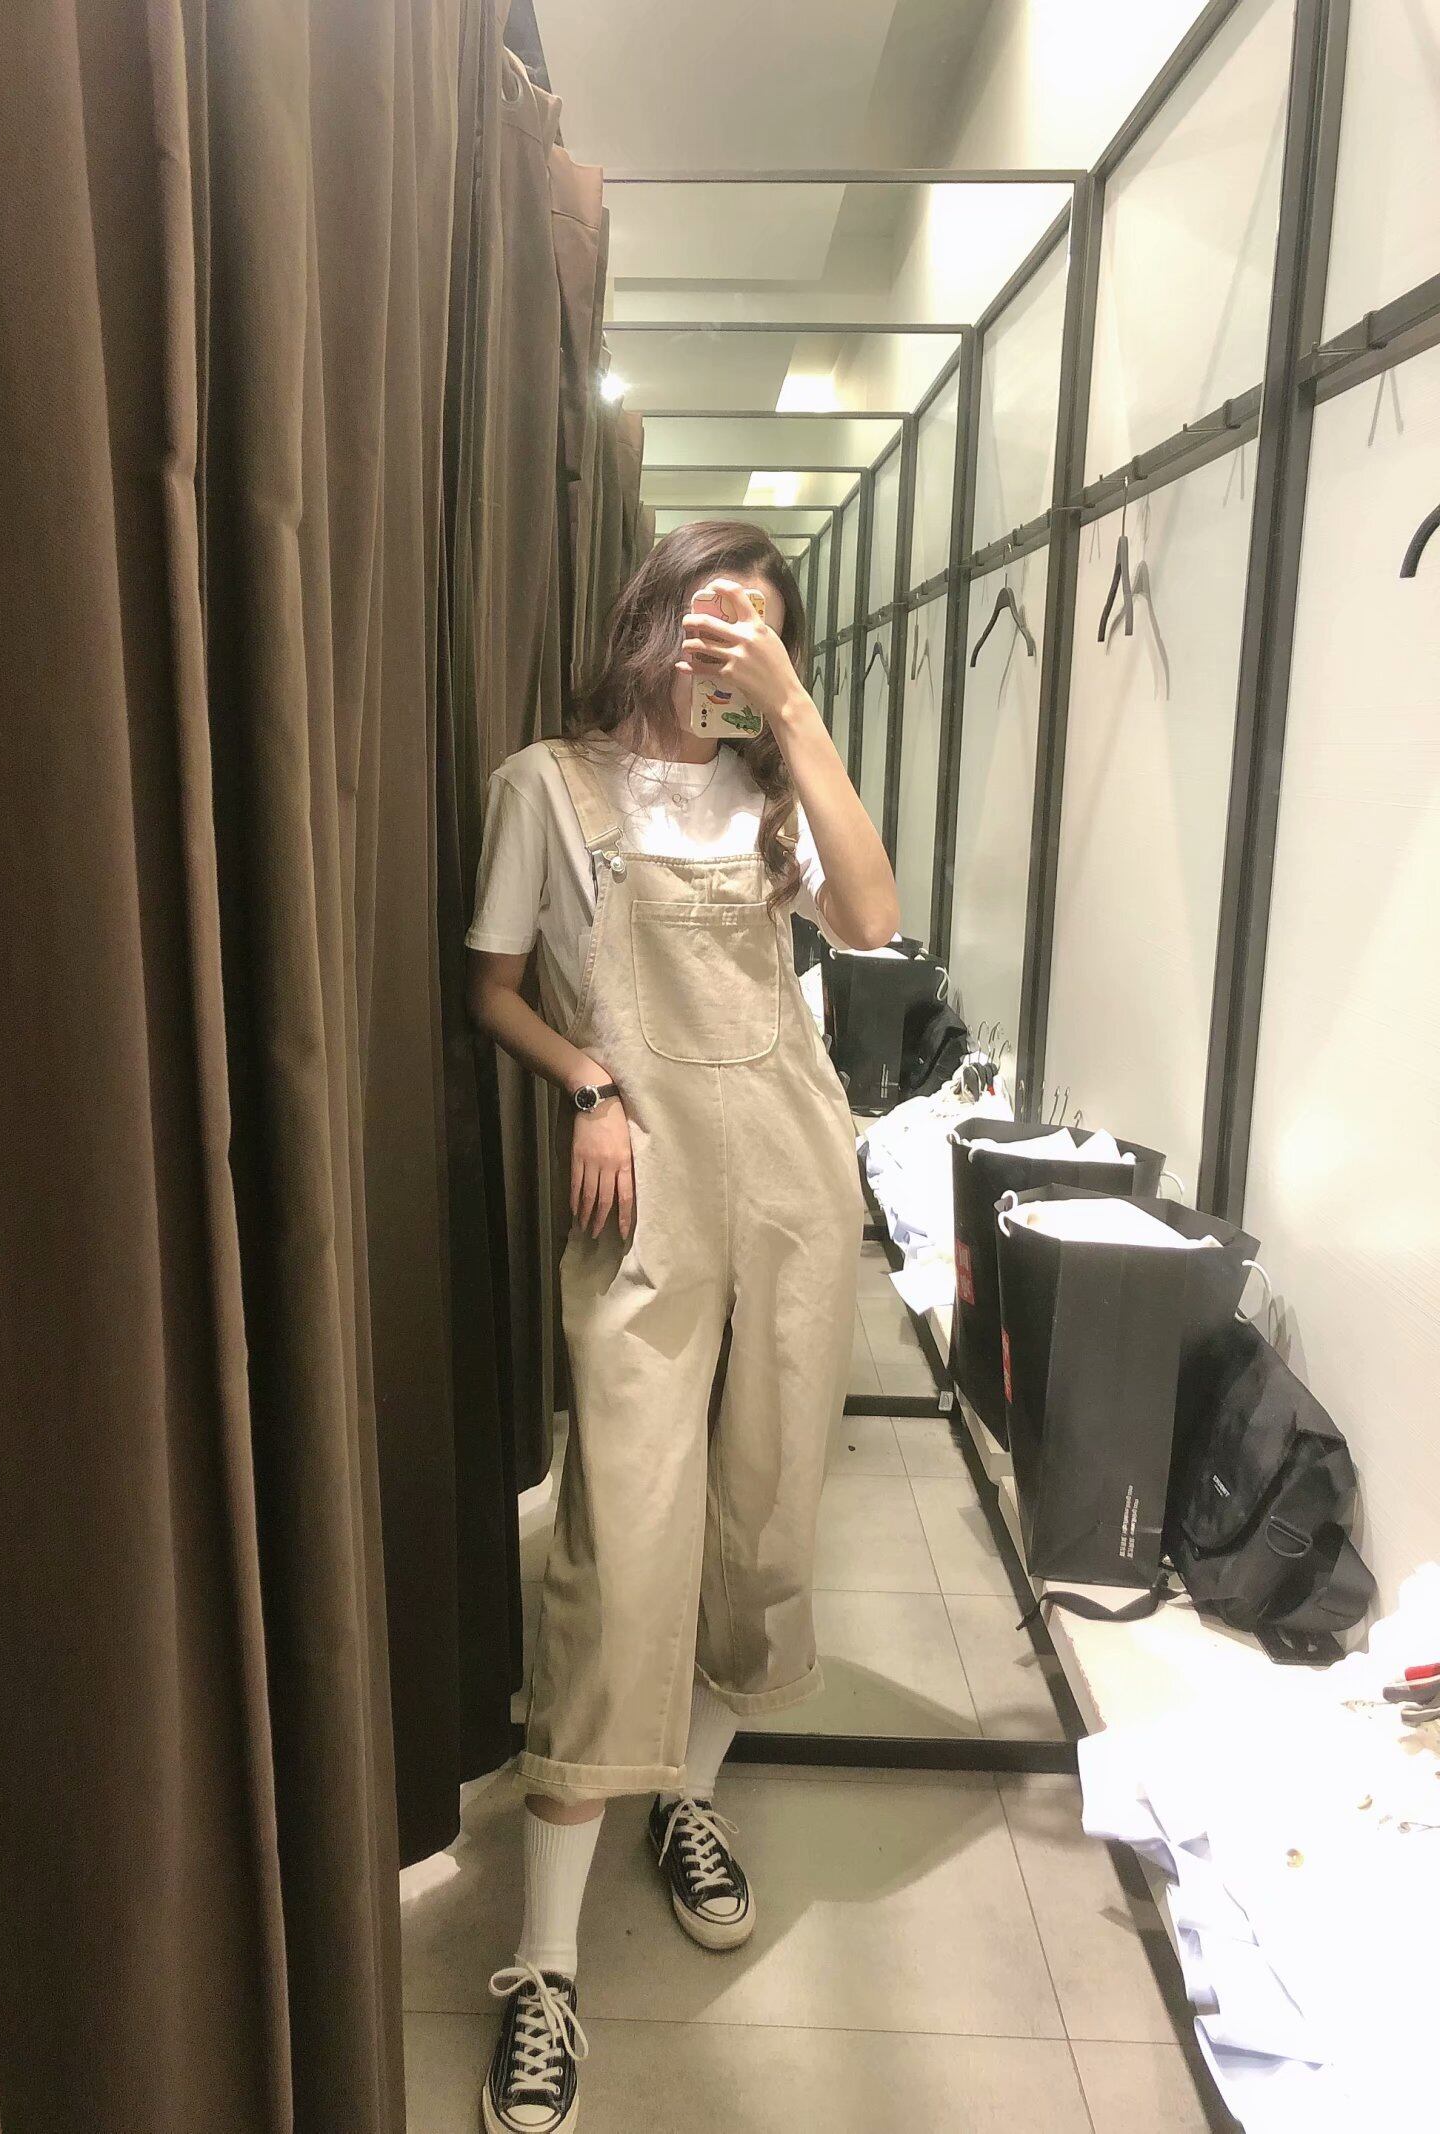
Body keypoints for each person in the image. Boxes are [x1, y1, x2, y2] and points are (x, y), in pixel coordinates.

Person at [465, 520, 900, 2131]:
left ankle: (690, 1796)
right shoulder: (548, 787)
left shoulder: (778, 794)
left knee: (764, 1519)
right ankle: (545, 1963)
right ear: (650, 617)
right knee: (618, 1549)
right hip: (645, 1189)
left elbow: (871, 918)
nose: (726, 653)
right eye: (712, 621)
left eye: (760, 634)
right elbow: (493, 984)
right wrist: (589, 1083)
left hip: (794, 1175)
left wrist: (797, 715)